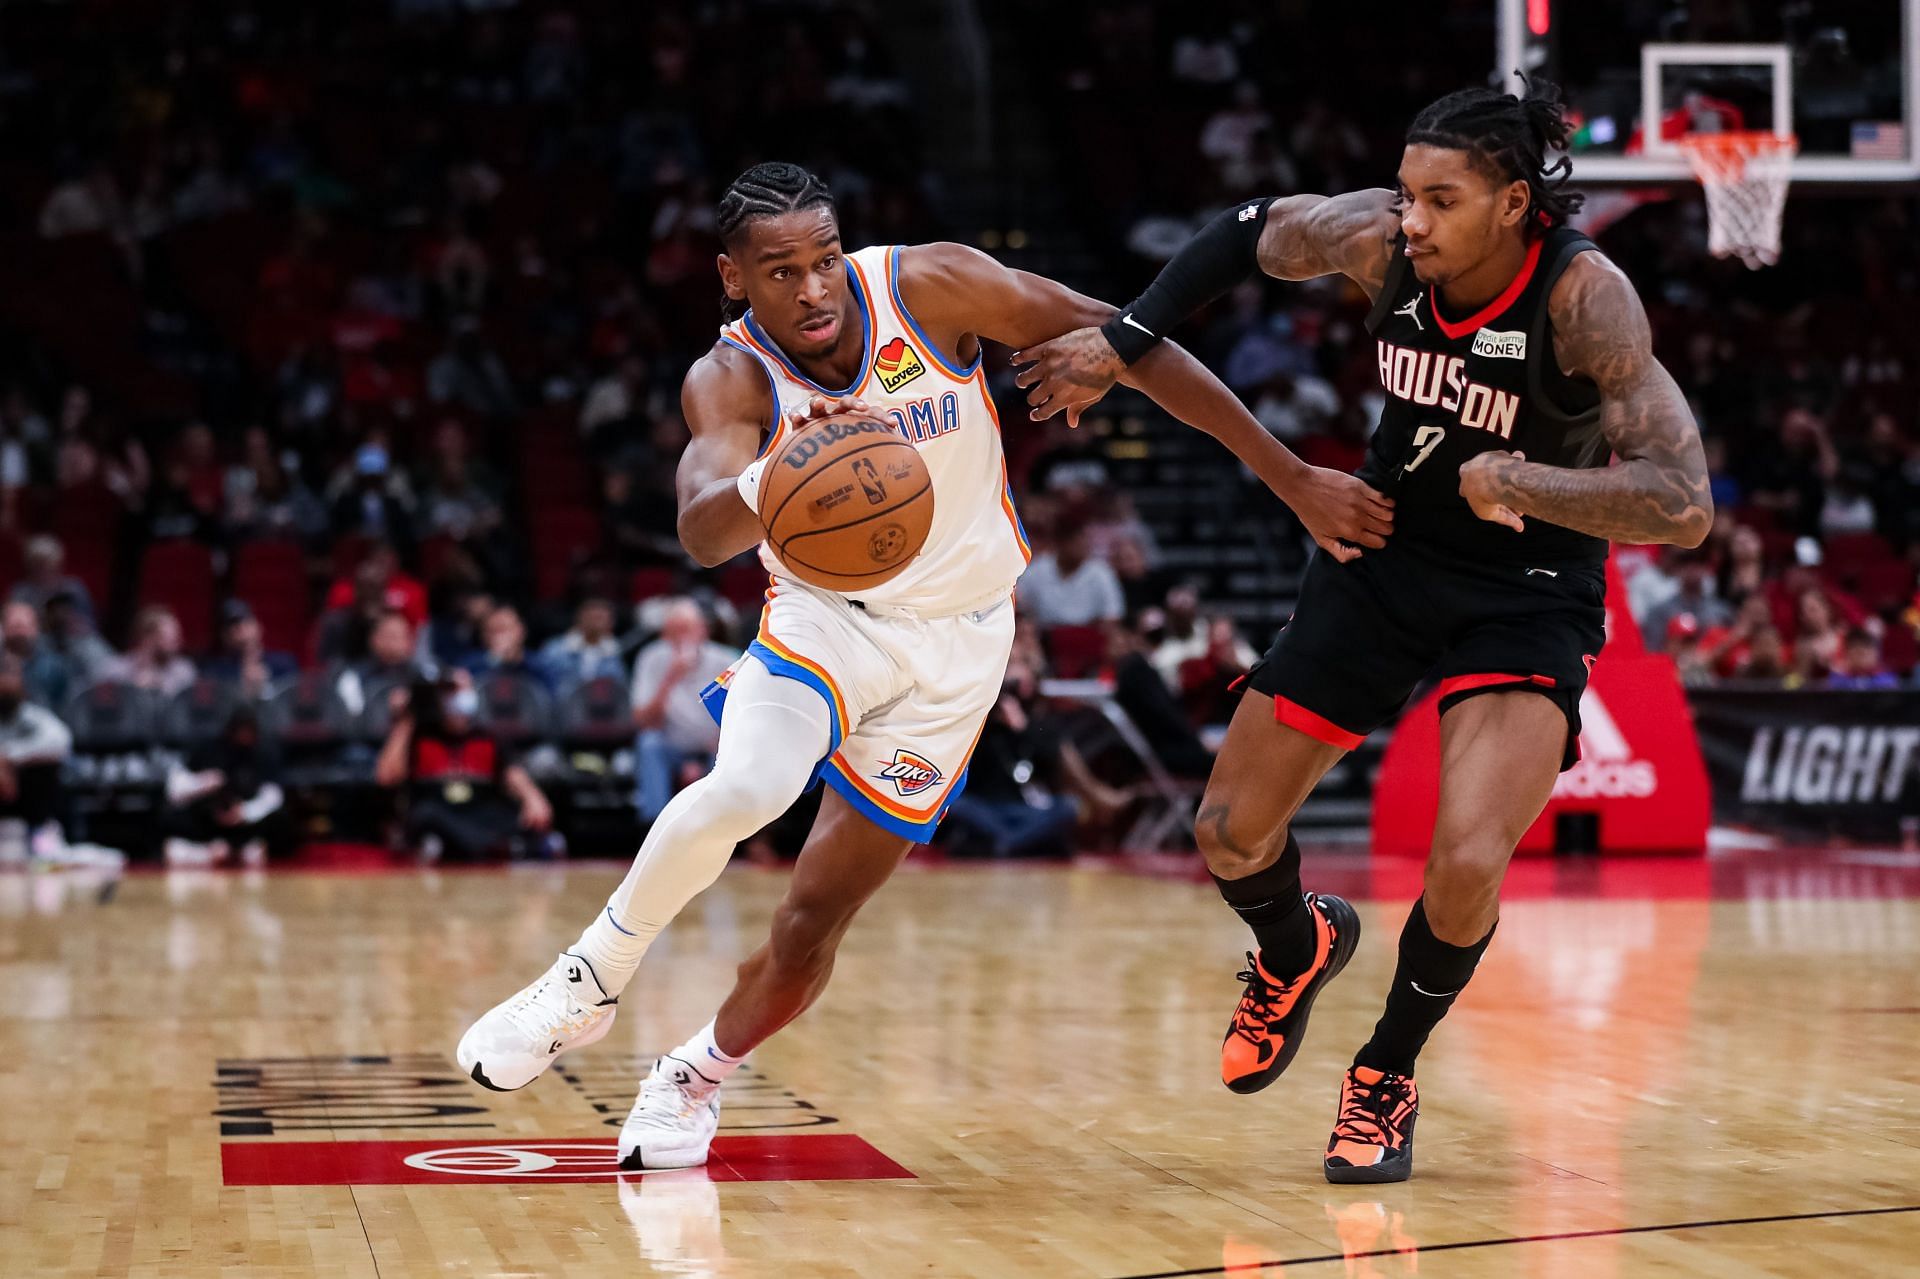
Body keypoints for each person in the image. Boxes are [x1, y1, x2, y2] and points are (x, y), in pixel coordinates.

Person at [456, 160, 1389, 1171]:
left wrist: (1290, 478)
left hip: (961, 643)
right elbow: (700, 528)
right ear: (733, 277)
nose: (813, 289)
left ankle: (693, 1072)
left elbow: (1135, 337)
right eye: (780, 272)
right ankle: (586, 981)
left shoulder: (931, 286)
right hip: (827, 620)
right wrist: (782, 470)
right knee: (749, 784)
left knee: (811, 924)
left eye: (823, 260)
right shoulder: (728, 379)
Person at [1015, 80, 1712, 1183]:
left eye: (1440, 199)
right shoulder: (1379, 245)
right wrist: (1122, 338)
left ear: (1514, 203)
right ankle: (1298, 949)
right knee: (1229, 830)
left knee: (1466, 861)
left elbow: (1683, 501)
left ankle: (1385, 1069)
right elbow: (1246, 232)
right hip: (1380, 545)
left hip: (1526, 582)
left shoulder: (1587, 297)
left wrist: (1523, 477)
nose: (1412, 220)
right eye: (1405, 194)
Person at [374, 675, 555, 860]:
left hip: (479, 812)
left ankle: (480, 845)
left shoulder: (487, 737)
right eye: (447, 692)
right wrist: (406, 718)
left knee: (511, 816)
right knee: (426, 816)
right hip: (439, 812)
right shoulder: (419, 736)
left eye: (460, 691)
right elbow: (387, 777)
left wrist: (532, 797)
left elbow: (511, 773)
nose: (454, 699)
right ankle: (489, 846)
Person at [629, 598, 738, 823]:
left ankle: (721, 825)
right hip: (672, 746)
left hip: (713, 746)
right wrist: (671, 678)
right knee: (649, 743)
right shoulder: (651, 658)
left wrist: (718, 741)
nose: (681, 638)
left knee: (731, 746)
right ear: (664, 635)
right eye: (674, 632)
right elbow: (643, 721)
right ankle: (653, 826)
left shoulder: (726, 659)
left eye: (687, 630)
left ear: (703, 631)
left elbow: (739, 716)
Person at [162, 707, 286, 865]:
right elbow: (174, 789)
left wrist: (245, 812)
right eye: (240, 730)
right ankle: (206, 851)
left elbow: (274, 795)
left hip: (245, 819)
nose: (245, 736)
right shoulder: (208, 748)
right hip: (207, 814)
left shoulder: (263, 751)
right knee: (170, 815)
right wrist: (202, 783)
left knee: (280, 819)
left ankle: (235, 849)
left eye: (249, 730)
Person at [0, 654, 74, 858]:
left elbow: (62, 740)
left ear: (22, 681)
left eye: (11, 675)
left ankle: (41, 832)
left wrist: (9, 758)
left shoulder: (33, 716)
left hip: (26, 800)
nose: (5, 683)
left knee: (46, 766)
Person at [1018, 515, 1126, 628]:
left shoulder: (1101, 572)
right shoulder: (1038, 569)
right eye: (1076, 541)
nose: (1082, 546)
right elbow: (1019, 603)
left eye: (1085, 541)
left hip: (1087, 635)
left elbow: (1112, 615)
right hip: (1045, 635)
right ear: (1062, 543)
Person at [202, 601, 298, 699]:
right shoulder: (217, 672)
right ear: (225, 637)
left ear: (258, 627)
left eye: (246, 623)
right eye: (234, 628)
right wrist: (241, 683)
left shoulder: (284, 664)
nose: (242, 631)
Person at [537, 597, 628, 692]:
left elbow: (620, 690)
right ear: (581, 618)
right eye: (595, 618)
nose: (598, 624)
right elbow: (540, 683)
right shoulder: (555, 649)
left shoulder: (614, 654)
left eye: (603, 619)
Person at [110, 606, 197, 698]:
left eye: (177, 639)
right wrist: (134, 687)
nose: (179, 643)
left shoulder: (184, 672)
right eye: (171, 640)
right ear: (148, 639)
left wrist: (160, 686)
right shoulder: (116, 669)